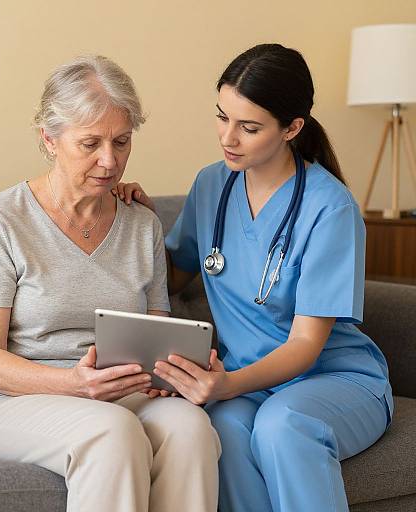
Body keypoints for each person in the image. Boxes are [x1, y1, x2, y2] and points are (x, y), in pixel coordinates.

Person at [114, 44, 393, 512]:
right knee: (219, 429)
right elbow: (171, 276)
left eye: (249, 127)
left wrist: (227, 385)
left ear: (292, 128)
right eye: (222, 117)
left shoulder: (331, 209)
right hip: (247, 380)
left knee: (284, 426)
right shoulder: (211, 186)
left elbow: (305, 346)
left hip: (333, 378)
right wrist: (133, 221)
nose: (229, 138)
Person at [0, 55, 220, 512]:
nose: (109, 160)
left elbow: (159, 334)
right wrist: (74, 385)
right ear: (50, 139)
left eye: (121, 141)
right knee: (112, 433)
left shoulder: (142, 224)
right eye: (90, 143)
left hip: (121, 392)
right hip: (13, 399)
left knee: (191, 429)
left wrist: (174, 371)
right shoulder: (1, 219)